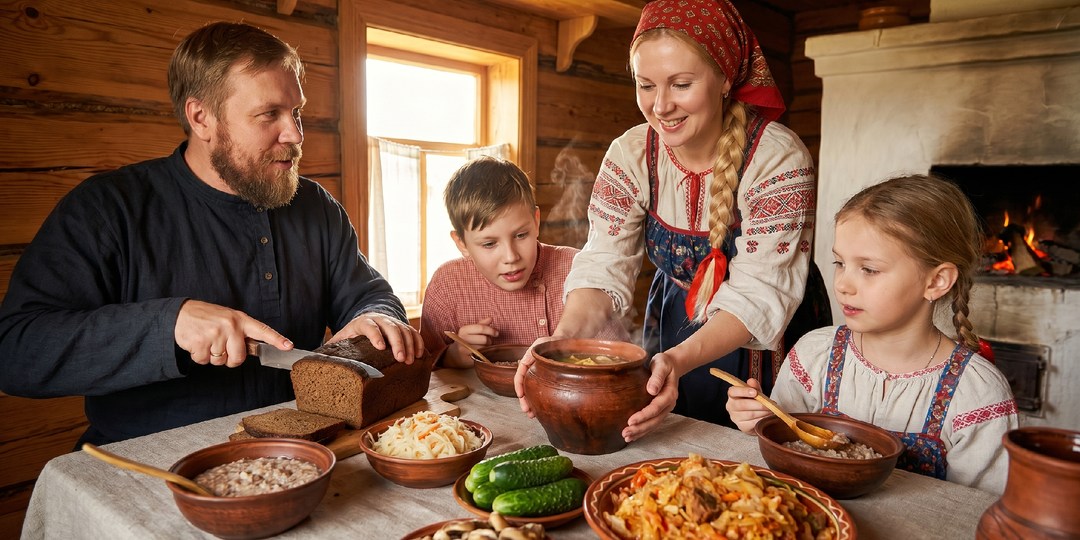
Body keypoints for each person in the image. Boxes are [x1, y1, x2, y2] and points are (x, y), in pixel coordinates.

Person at [0, 22, 423, 447]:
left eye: (296, 112)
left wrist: (378, 316)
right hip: (144, 465)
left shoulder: (315, 205)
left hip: (302, 450)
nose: (296, 135)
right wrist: (170, 325)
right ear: (201, 117)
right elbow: (16, 351)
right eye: (268, 115)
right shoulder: (106, 209)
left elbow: (370, 294)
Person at [515, 0, 831, 439]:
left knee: (761, 462)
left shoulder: (777, 159)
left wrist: (680, 360)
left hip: (768, 328)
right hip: (677, 315)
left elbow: (759, 294)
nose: (660, 106)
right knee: (677, 444)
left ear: (724, 78)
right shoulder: (630, 155)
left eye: (681, 84)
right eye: (646, 85)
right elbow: (604, 262)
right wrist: (561, 343)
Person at [728, 175, 1018, 494]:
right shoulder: (814, 356)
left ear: (936, 281)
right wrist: (756, 419)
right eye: (840, 263)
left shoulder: (977, 395)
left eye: (869, 269)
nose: (842, 284)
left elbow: (975, 510)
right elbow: (784, 444)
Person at [420, 156, 629, 367]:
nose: (511, 257)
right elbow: (424, 362)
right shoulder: (447, 284)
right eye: (490, 244)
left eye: (521, 235)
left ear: (536, 221)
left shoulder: (577, 269)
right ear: (461, 243)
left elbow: (619, 357)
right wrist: (451, 355)